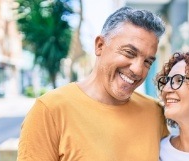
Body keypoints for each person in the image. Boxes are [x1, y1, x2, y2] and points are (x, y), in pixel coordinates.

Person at [18, 6, 169, 161]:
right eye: (129, 53)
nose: (138, 70)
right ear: (100, 46)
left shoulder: (155, 112)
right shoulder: (49, 111)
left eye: (147, 62)